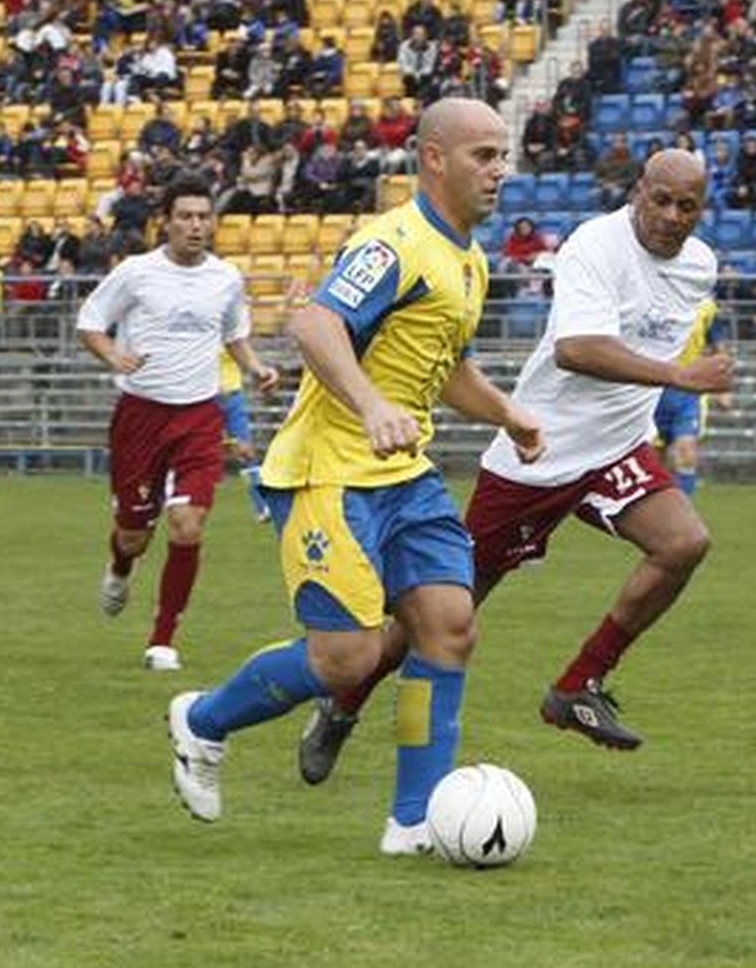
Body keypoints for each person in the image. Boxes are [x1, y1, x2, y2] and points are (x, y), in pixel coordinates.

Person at [165, 99, 544, 854]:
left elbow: (443, 367)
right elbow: (314, 323)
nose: (499, 170)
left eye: (503, 155)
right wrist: (369, 406)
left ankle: (413, 820)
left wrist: (508, 414)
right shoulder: (394, 240)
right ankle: (202, 721)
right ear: (434, 158)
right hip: (328, 473)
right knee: (349, 657)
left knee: (447, 630)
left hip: (404, 475)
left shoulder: (467, 259)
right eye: (483, 155)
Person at [295, 150, 734, 793]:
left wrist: (674, 392)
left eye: (686, 206)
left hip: (615, 450)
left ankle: (577, 685)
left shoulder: (700, 265)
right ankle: (344, 703)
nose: (670, 217)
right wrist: (678, 377)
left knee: (684, 542)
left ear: (702, 208)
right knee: (440, 617)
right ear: (638, 192)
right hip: (539, 455)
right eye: (660, 199)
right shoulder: (595, 246)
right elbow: (576, 348)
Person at [76, 174, 280, 672]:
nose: (195, 225)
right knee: (133, 535)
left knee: (187, 526)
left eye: (202, 217)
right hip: (140, 417)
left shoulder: (225, 278)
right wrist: (113, 355)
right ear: (164, 222)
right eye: (185, 216)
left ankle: (162, 638)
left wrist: (254, 369)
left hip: (198, 416)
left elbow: (233, 332)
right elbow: (90, 321)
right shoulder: (136, 273)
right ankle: (121, 568)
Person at [653, 298, 730, 498]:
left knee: (686, 451)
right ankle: (658, 512)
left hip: (688, 389)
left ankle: (684, 507)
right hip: (650, 387)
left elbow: (718, 348)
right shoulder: (651, 295)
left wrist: (723, 389)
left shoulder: (707, 306)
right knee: (653, 461)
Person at [216, 346, 271, 523]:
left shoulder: (234, 337)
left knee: (246, 453)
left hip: (233, 398)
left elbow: (247, 359)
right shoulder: (199, 335)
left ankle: (262, 506)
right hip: (205, 398)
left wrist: (260, 373)